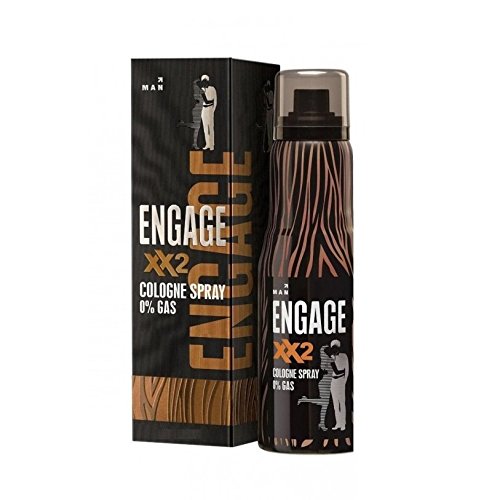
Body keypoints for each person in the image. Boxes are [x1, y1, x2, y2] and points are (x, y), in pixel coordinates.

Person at [297, 344, 333, 431]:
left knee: (324, 404)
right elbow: (322, 353)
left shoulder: (329, 360)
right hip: (325, 383)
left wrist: (323, 349)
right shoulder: (327, 360)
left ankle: (321, 423)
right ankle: (305, 400)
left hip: (327, 383)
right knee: (324, 402)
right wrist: (323, 348)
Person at [176, 78, 203, 150]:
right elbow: (195, 88)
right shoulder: (198, 94)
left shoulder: (201, 93)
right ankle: (194, 143)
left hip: (200, 110)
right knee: (196, 127)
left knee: (197, 127)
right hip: (197, 110)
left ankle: (194, 143)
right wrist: (195, 83)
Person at [330, 339, 349, 431]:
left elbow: (347, 370)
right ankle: (338, 423)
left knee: (342, 402)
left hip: (340, 381)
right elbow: (333, 371)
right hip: (333, 382)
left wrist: (343, 381)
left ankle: (343, 423)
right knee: (335, 404)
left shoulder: (343, 356)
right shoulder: (331, 358)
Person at [200, 75, 217, 150]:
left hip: (209, 109)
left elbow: (215, 101)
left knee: (210, 127)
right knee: (206, 128)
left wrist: (212, 110)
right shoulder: (202, 90)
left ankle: (212, 144)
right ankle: (208, 144)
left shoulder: (212, 89)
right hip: (204, 109)